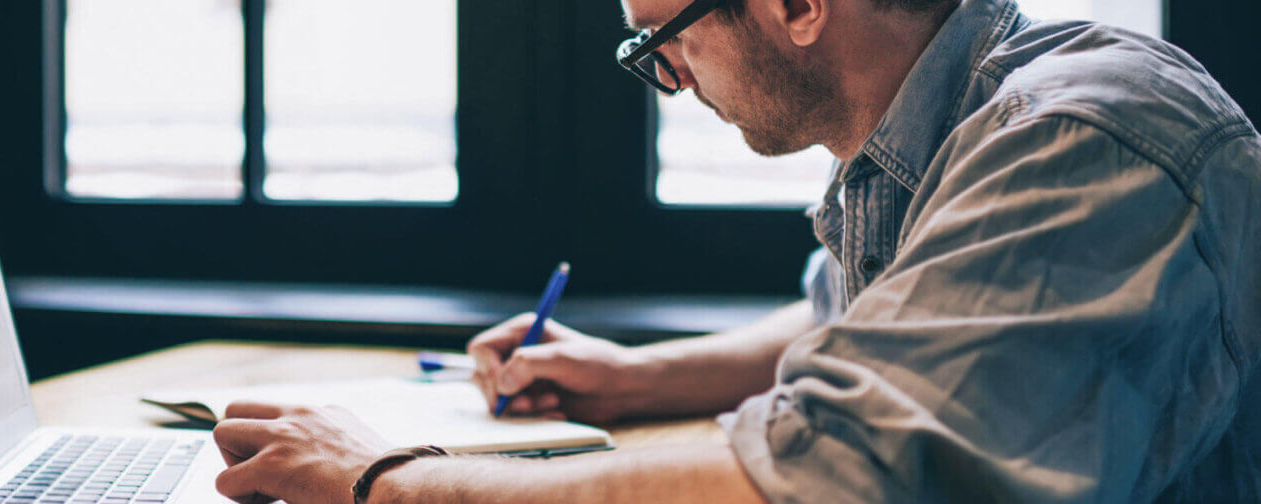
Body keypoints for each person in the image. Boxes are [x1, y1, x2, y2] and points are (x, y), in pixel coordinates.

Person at [209, 0, 1261, 501]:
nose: (666, 77)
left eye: (659, 37)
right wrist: (631, 379)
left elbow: (833, 473)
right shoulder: (938, 128)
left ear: (799, 6)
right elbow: (859, 324)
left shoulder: (1084, 138)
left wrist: (381, 479)